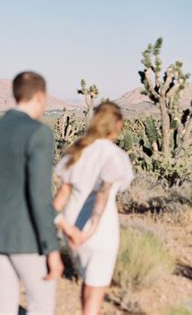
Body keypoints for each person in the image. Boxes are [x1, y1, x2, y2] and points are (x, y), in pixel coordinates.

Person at [0, 71, 63, 314]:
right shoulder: (38, 133)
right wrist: (51, 247)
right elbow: (39, 196)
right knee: (40, 305)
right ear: (40, 96)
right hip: (28, 239)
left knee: (3, 308)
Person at [53, 102, 134, 315]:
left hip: (71, 231)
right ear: (118, 125)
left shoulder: (77, 151)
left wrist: (59, 224)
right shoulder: (115, 156)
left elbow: (61, 195)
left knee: (88, 282)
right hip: (98, 232)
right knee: (95, 292)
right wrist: (90, 229)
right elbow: (103, 193)